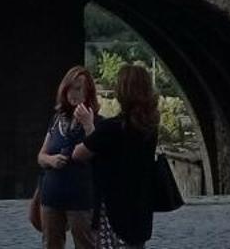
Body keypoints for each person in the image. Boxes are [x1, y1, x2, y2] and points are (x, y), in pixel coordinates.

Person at [73, 63, 170, 247]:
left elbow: (80, 154)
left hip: (114, 212)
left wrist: (88, 125)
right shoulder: (149, 127)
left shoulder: (112, 127)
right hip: (140, 209)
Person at [35, 66, 99, 249]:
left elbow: (97, 155)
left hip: (80, 196)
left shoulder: (96, 121)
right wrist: (52, 160)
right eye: (70, 88)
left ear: (88, 92)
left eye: (78, 89)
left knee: (85, 244)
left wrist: (88, 126)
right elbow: (41, 156)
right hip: (52, 194)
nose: (73, 94)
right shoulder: (57, 119)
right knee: (51, 244)